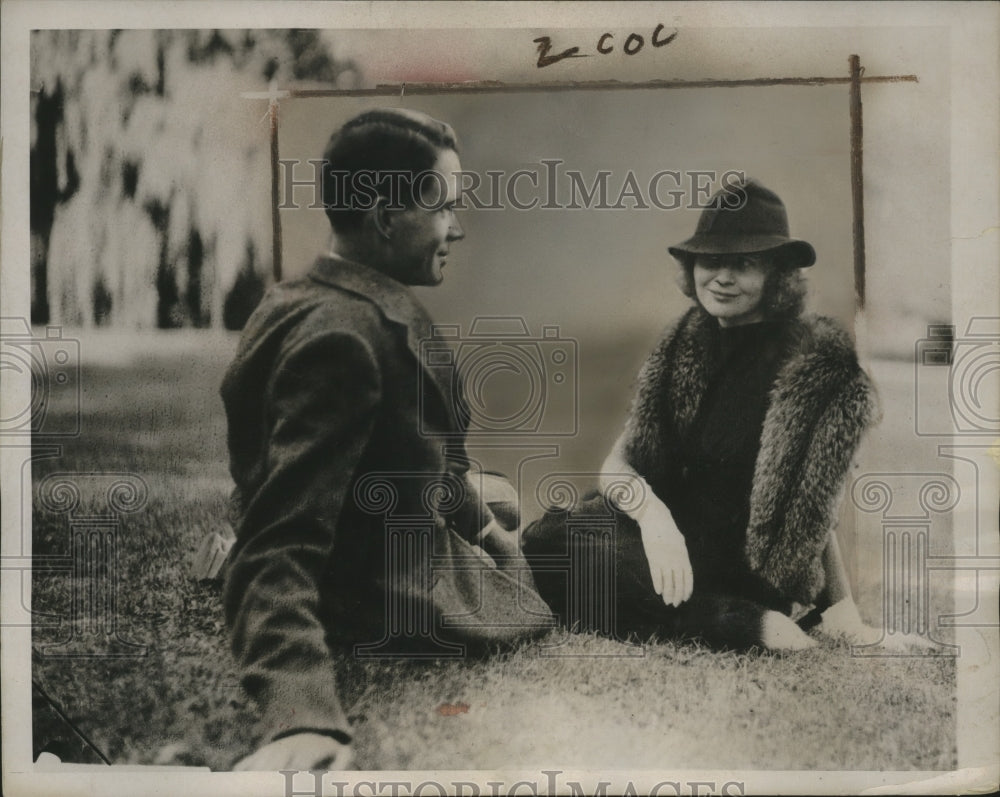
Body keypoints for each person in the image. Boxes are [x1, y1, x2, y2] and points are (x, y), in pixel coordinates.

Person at [219, 108, 553, 771]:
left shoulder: (296, 296)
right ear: (384, 216)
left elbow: (419, 460)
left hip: (375, 513)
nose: (456, 227)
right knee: (575, 555)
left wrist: (489, 532)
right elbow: (281, 543)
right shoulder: (345, 339)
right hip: (378, 587)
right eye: (443, 208)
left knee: (503, 505)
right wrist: (300, 714)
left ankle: (493, 530)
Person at [523, 178, 881, 651]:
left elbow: (817, 502)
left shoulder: (813, 364)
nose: (722, 278)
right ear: (692, 268)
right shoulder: (684, 342)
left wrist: (842, 613)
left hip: (736, 564)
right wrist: (655, 521)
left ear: (777, 274)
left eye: (744, 263)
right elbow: (619, 465)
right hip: (660, 544)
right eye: (711, 261)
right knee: (548, 537)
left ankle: (735, 615)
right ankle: (730, 623)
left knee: (574, 560)